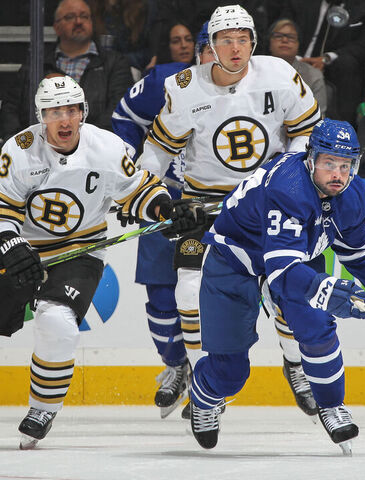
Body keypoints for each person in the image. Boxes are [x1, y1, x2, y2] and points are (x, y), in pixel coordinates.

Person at [188, 119, 365, 453]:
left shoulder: (352, 193)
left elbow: (358, 252)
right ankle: (203, 398)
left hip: (297, 254)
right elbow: (279, 270)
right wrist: (324, 288)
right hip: (235, 257)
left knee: (316, 326)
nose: (338, 175)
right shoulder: (289, 188)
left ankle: (330, 404)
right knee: (230, 372)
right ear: (310, 158)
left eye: (345, 165)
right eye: (329, 163)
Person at [137, 5, 322, 419]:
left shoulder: (278, 75)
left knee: (285, 292)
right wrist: (150, 196)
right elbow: (156, 152)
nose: (234, 48)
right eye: (225, 40)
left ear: (253, 44)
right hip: (206, 209)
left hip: (268, 204)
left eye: (242, 40)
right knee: (188, 289)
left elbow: (308, 135)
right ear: (211, 47)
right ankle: (209, 383)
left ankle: (296, 364)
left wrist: (280, 180)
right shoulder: (184, 87)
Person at [0, 75, 204, 449]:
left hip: (80, 251)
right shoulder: (19, 150)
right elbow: (2, 210)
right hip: (22, 248)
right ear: (40, 115)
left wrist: (166, 208)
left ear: (83, 112)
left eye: (72, 110)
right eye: (54, 111)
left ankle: (42, 408)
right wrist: (11, 246)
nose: (64, 120)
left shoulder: (107, 148)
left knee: (57, 321)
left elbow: (139, 190)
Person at [112, 22, 210, 419]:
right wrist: (134, 176)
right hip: (166, 202)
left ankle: (207, 381)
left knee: (208, 297)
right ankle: (175, 365)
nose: (216, 54)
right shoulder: (166, 80)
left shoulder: (251, 89)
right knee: (161, 294)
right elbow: (124, 117)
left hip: (216, 207)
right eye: (209, 46)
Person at [0, 0, 133, 140]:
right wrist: (21, 143)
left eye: (84, 16)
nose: (78, 21)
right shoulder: (36, 62)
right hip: (38, 150)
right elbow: (11, 107)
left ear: (92, 23)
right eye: (70, 17)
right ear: (56, 27)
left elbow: (119, 110)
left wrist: (83, 143)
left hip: (93, 149)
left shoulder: (114, 63)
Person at [275, 0, 365, 123]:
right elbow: (281, 29)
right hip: (294, 62)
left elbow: (364, 47)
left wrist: (326, 59)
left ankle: (340, 130)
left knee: (349, 67)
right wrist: (297, 60)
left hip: (334, 70)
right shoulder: (299, 3)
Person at [268, 18, 328, 114]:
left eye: (291, 37)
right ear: (270, 43)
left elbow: (319, 117)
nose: (284, 40)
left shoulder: (313, 76)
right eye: (278, 36)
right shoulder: (254, 71)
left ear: (298, 44)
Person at [91, 0, 158, 76]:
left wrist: (118, 60)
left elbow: (148, 52)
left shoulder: (145, 6)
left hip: (131, 69)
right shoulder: (90, 7)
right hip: (96, 69)